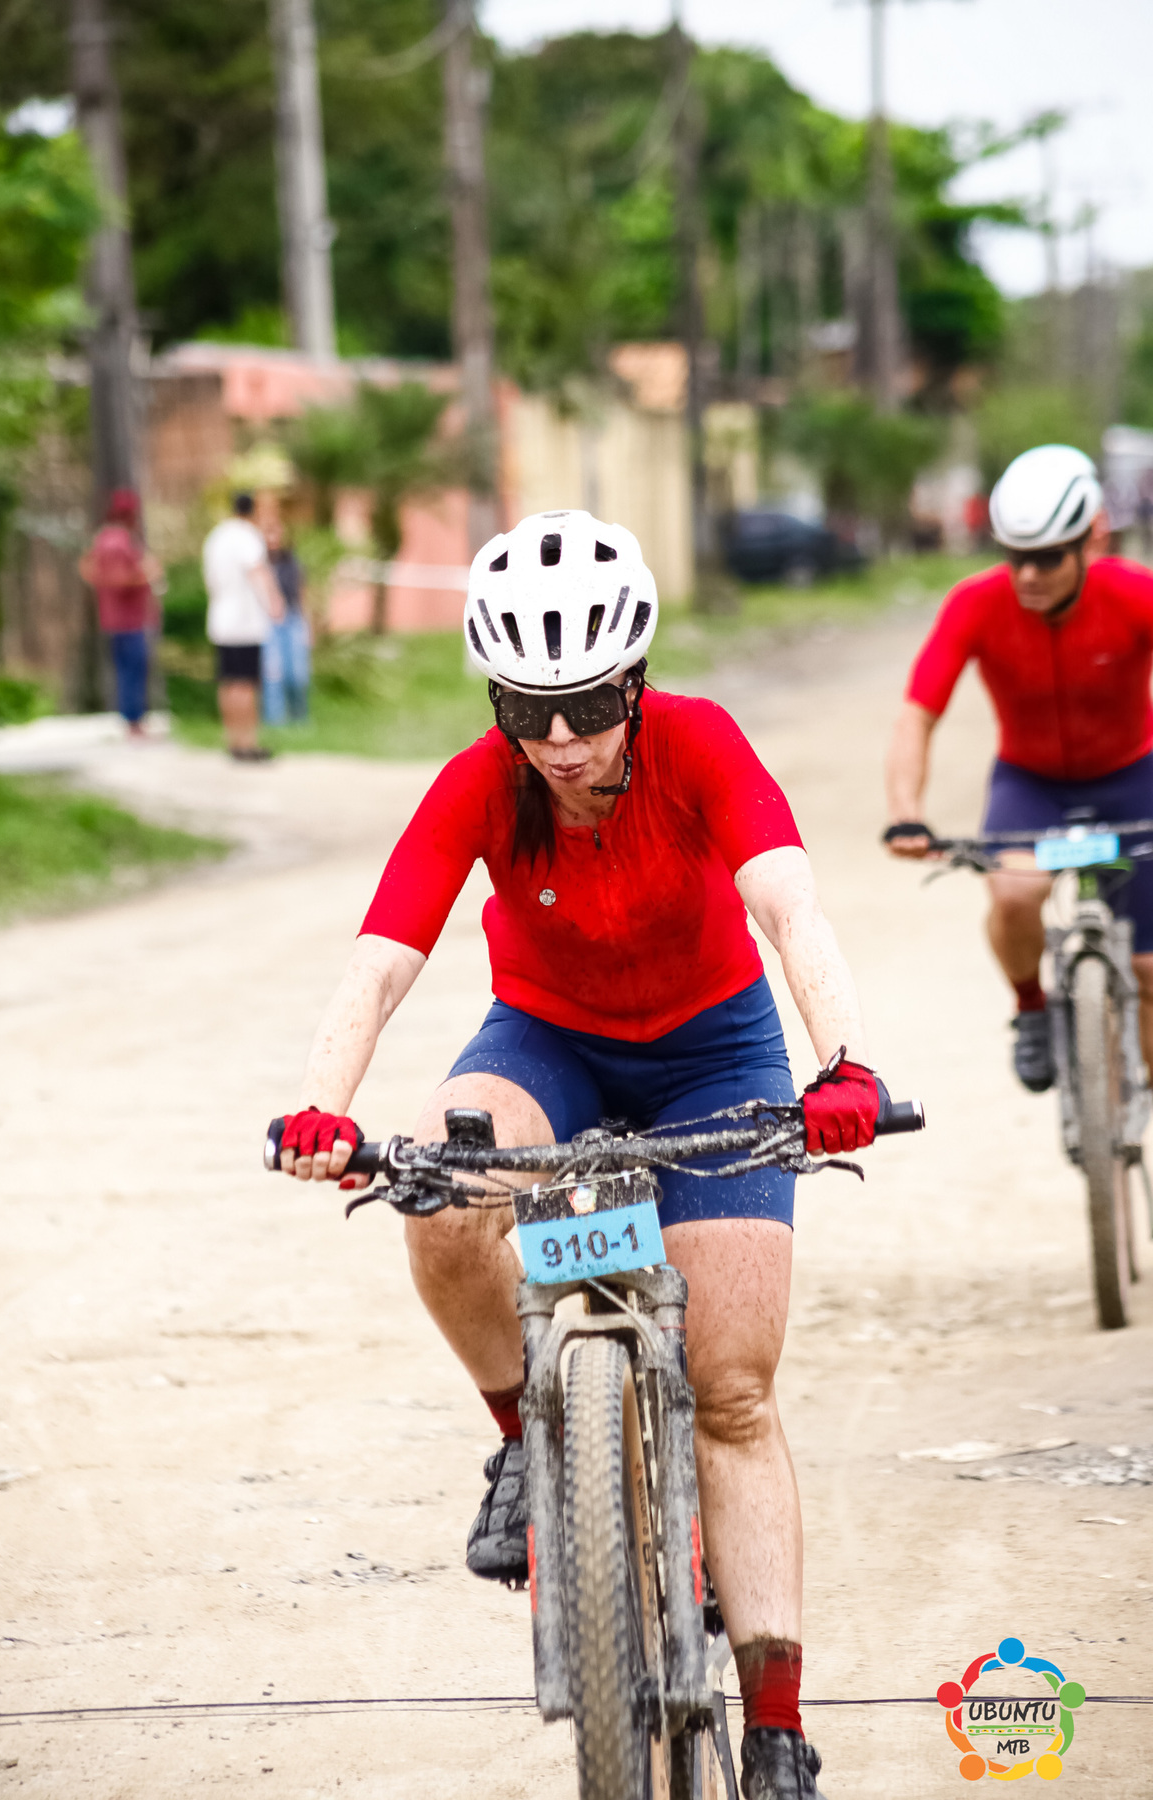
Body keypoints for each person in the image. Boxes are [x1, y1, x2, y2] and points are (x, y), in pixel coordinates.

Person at [277, 510, 897, 1800]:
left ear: (637, 681)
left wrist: (843, 1063)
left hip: (715, 1053)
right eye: (527, 710)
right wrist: (322, 1107)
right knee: (442, 1192)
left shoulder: (701, 743)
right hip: (546, 1044)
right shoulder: (483, 780)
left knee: (730, 1390)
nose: (560, 740)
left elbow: (791, 905)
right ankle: (526, 1443)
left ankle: (777, 1731)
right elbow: (381, 960)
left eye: (591, 705)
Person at [885, 443, 1153, 1092]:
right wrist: (906, 815)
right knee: (1012, 894)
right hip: (1031, 784)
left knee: (1149, 973)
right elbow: (917, 715)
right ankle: (1032, 1007)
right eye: (1015, 557)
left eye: (1048, 558)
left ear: (1091, 541)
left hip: (1132, 776)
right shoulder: (976, 604)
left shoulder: (1134, 593)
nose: (1028, 575)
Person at [202, 493, 283, 761]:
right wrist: (274, 602)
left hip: (221, 618)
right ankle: (248, 741)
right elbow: (257, 570)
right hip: (245, 621)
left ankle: (232, 739)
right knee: (246, 683)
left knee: (228, 682)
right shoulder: (248, 536)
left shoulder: (217, 536)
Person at [78, 488, 162, 737]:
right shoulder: (119, 541)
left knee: (126, 669)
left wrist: (101, 586)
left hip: (113, 617)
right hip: (129, 619)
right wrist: (146, 574)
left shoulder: (102, 538)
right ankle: (133, 721)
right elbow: (118, 579)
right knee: (134, 669)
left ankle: (131, 719)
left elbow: (86, 568)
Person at [261, 519, 311, 726]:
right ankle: (275, 722)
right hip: (268, 621)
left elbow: (302, 593)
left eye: (276, 533)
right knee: (272, 674)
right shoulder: (258, 562)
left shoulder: (292, 561)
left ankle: (300, 719)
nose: (273, 539)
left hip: (292, 618)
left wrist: (307, 625)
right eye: (268, 533)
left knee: (297, 673)